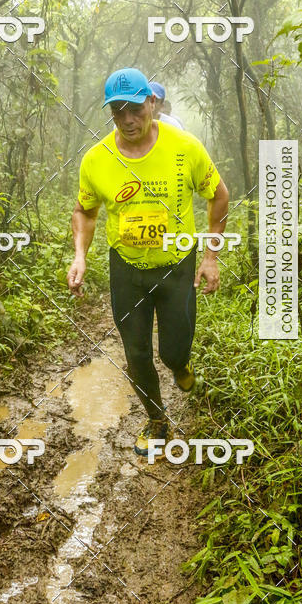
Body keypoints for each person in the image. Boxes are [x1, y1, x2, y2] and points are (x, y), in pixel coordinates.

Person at [67, 68, 229, 457]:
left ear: (152, 103)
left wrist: (210, 256)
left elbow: (219, 196)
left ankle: (179, 365)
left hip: (177, 266)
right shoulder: (96, 160)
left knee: (173, 351)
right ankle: (157, 422)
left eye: (135, 108)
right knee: (136, 352)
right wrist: (80, 256)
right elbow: (85, 211)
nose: (127, 119)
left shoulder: (185, 147)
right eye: (118, 110)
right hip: (126, 269)